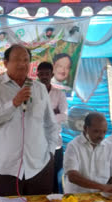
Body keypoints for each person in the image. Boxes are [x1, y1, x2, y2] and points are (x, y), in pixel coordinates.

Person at [0, 44, 59, 196]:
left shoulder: (39, 88)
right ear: (5, 63)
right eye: (16, 59)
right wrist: (13, 104)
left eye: (26, 60)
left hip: (39, 166)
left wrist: (50, 153)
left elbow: (50, 124)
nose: (22, 64)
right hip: (5, 168)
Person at [63, 112, 112, 194]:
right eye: (96, 131)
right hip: (77, 197)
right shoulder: (73, 146)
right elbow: (73, 177)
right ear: (85, 128)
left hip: (102, 196)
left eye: (104, 132)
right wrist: (103, 187)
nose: (101, 136)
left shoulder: (110, 147)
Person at [37, 62, 68, 193]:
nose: (44, 76)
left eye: (47, 74)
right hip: (37, 142)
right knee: (39, 175)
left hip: (55, 142)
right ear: (37, 75)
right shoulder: (32, 93)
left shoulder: (59, 94)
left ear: (52, 75)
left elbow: (65, 116)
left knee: (56, 175)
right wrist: (53, 112)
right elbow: (30, 117)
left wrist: (45, 116)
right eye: (42, 74)